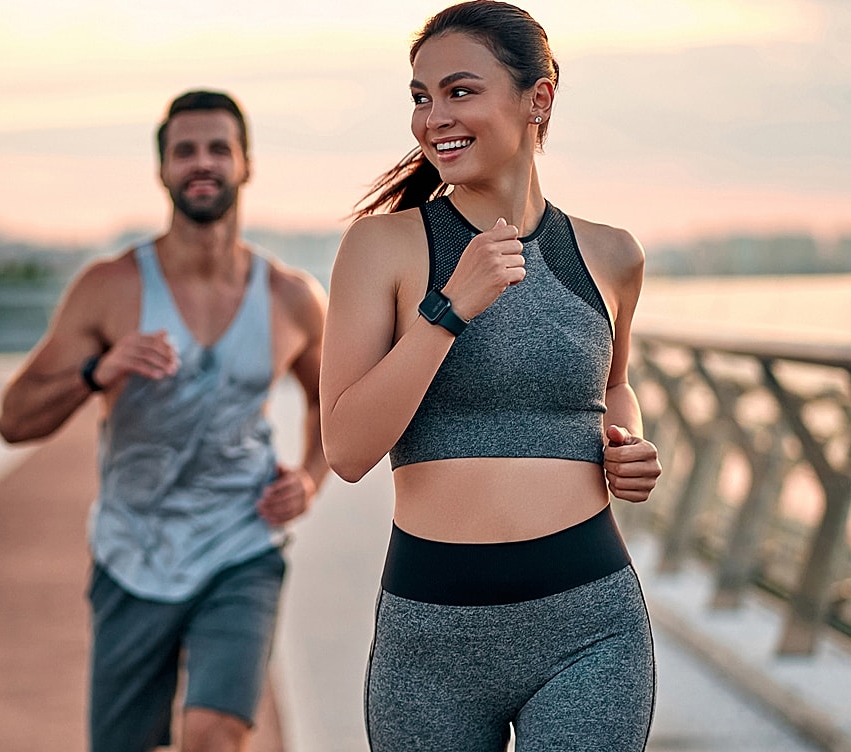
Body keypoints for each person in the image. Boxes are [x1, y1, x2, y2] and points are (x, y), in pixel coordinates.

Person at [319, 2, 662, 749]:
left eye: (459, 90)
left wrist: (627, 441)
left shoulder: (612, 254)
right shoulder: (383, 247)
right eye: (420, 96)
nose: (433, 116)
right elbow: (346, 450)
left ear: (536, 98)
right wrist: (449, 309)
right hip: (429, 639)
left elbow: (610, 387)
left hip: (590, 625)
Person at [0, 89, 329, 752]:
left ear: (245, 164)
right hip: (132, 553)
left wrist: (312, 476)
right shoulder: (110, 288)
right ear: (163, 170)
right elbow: (14, 420)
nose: (200, 163)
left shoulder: (291, 298)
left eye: (216, 149)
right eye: (184, 151)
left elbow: (329, 400)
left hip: (242, 545)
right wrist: (100, 370)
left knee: (214, 734)